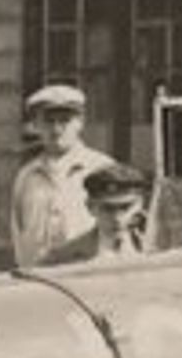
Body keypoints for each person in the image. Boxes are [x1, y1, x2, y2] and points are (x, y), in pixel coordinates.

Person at [10, 83, 113, 268]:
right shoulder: (27, 176)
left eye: (65, 120)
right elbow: (19, 236)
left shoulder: (101, 168)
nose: (57, 129)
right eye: (49, 121)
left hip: (87, 276)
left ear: (80, 123)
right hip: (38, 281)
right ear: (35, 125)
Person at [42, 163, 153, 265]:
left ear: (140, 205)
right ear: (90, 207)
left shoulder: (157, 248)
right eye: (108, 209)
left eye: (125, 207)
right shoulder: (61, 258)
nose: (117, 218)